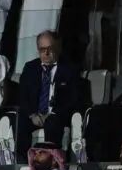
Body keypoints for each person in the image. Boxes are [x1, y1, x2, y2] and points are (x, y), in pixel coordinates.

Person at [15, 30, 84, 161]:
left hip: (57, 115)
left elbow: (73, 98)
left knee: (52, 124)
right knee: (21, 122)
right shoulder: (30, 68)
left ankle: (50, 161)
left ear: (58, 48)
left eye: (50, 49)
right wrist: (32, 114)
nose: (46, 53)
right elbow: (22, 95)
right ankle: (23, 163)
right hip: (35, 115)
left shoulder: (70, 68)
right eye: (42, 49)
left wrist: (53, 113)